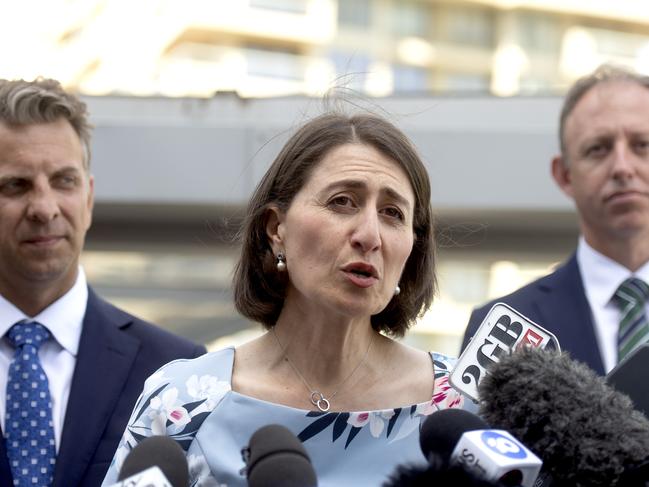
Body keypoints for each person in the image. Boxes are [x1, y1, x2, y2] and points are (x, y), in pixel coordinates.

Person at [102, 112, 465, 486]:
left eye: (393, 213)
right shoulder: (181, 400)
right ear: (277, 228)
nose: (370, 235)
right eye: (342, 202)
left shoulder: (463, 402)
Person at [0, 78, 206, 487]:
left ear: (89, 198)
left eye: (64, 181)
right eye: (15, 185)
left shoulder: (176, 371)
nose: (44, 208)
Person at [461, 64, 649, 375]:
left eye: (643, 145)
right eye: (598, 149)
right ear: (564, 175)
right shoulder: (503, 328)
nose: (622, 168)